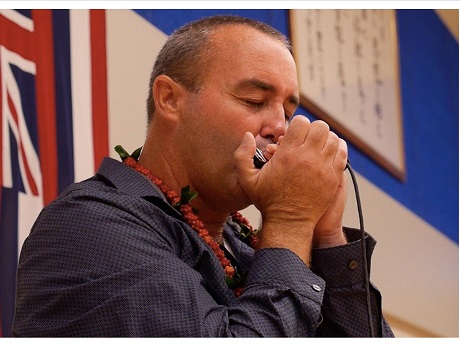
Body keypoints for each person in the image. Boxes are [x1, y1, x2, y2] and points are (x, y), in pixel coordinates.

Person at [12, 15, 394, 337]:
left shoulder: (246, 246)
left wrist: (324, 236)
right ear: (170, 99)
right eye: (254, 101)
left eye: (288, 111)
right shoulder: (89, 223)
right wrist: (292, 218)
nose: (280, 127)